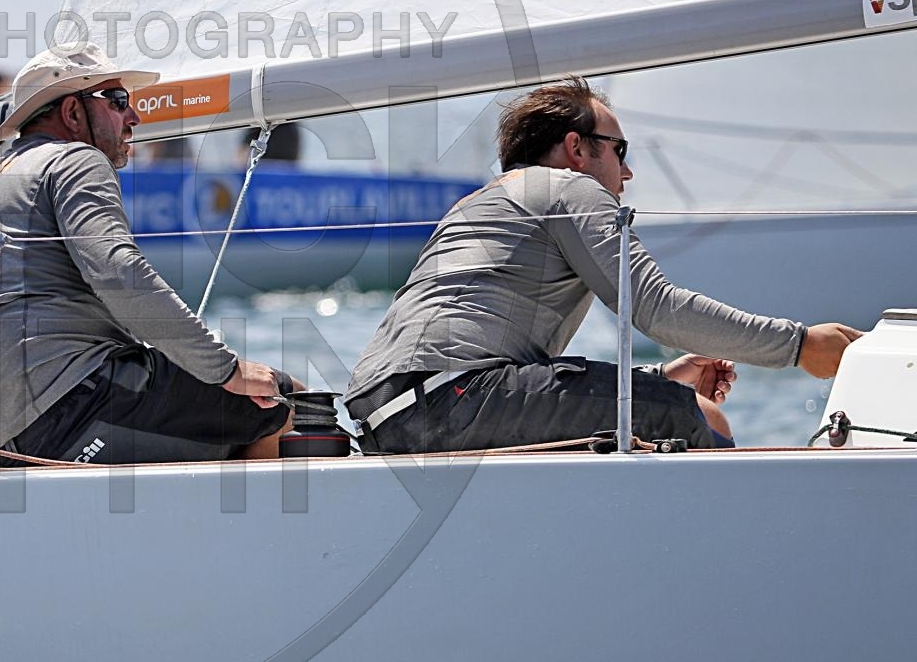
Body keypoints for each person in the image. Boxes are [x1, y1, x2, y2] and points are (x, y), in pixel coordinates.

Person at [346, 77, 863, 453]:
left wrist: (657, 376)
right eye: (619, 150)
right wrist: (799, 346)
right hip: (445, 398)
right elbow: (654, 306)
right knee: (689, 415)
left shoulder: (479, 203)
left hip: (385, 411)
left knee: (656, 403)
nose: (628, 171)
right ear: (576, 148)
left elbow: (511, 369)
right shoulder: (569, 187)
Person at [0, 44, 297, 465]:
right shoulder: (74, 159)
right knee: (283, 401)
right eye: (118, 101)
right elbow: (117, 271)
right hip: (68, 408)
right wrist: (226, 369)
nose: (135, 117)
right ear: (72, 112)